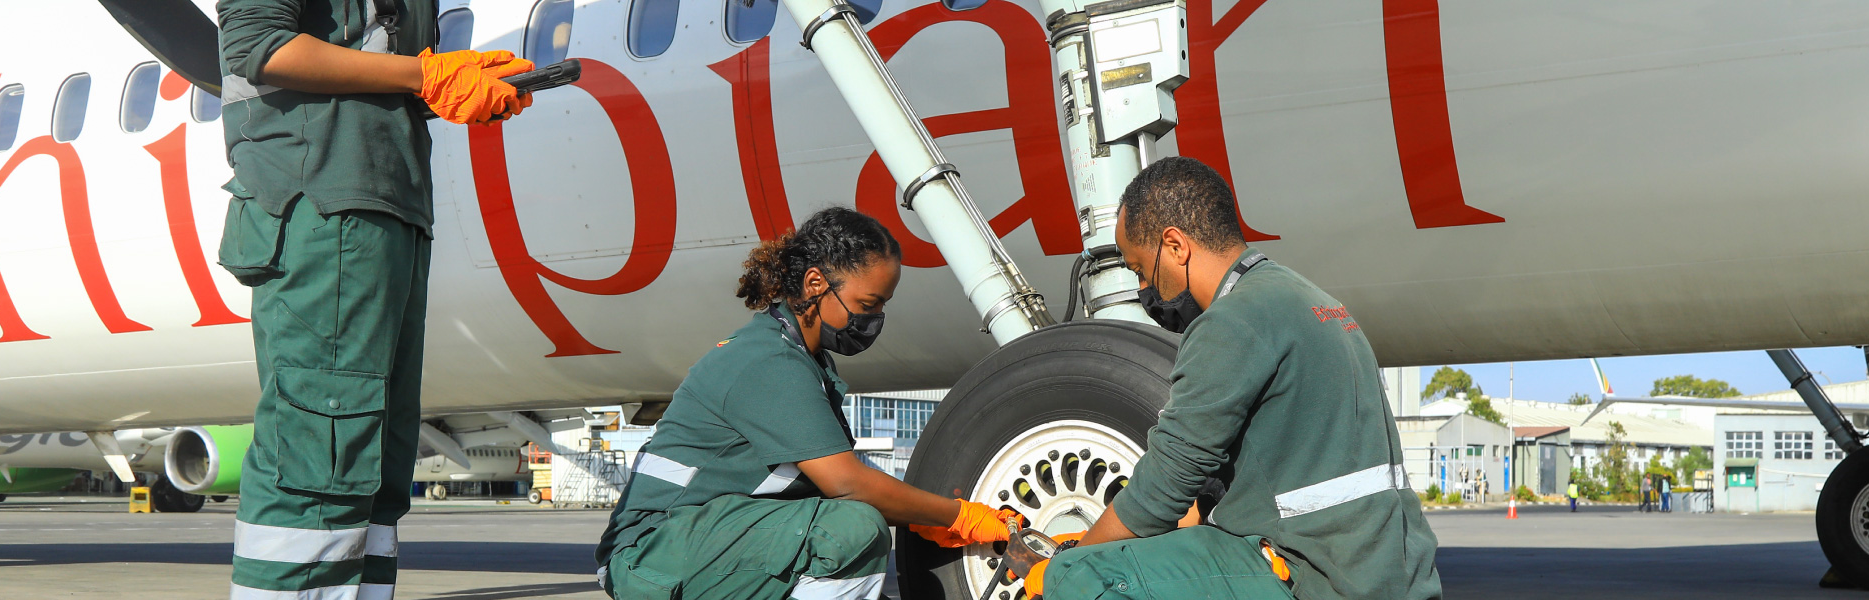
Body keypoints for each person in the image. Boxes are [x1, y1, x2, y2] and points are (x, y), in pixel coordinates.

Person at [213, 1, 536, 597]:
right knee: (320, 456)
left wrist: (453, 85)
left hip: (390, 203)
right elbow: (260, 46)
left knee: (376, 463)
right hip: (322, 201)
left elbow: (372, 63)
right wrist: (425, 75)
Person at [1025, 157, 1443, 600]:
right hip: (1388, 569)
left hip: (1317, 574)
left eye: (1140, 270)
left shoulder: (1233, 321)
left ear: (1175, 245)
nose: (1145, 289)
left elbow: (1164, 487)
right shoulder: (1310, 301)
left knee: (1081, 579)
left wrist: (1065, 567)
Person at [593, 208, 1018, 600]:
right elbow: (848, 485)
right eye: (868, 305)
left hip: (705, 539)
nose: (875, 320)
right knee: (854, 531)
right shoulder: (768, 361)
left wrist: (921, 515)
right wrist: (955, 516)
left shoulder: (804, 361)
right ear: (816, 284)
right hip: (649, 553)